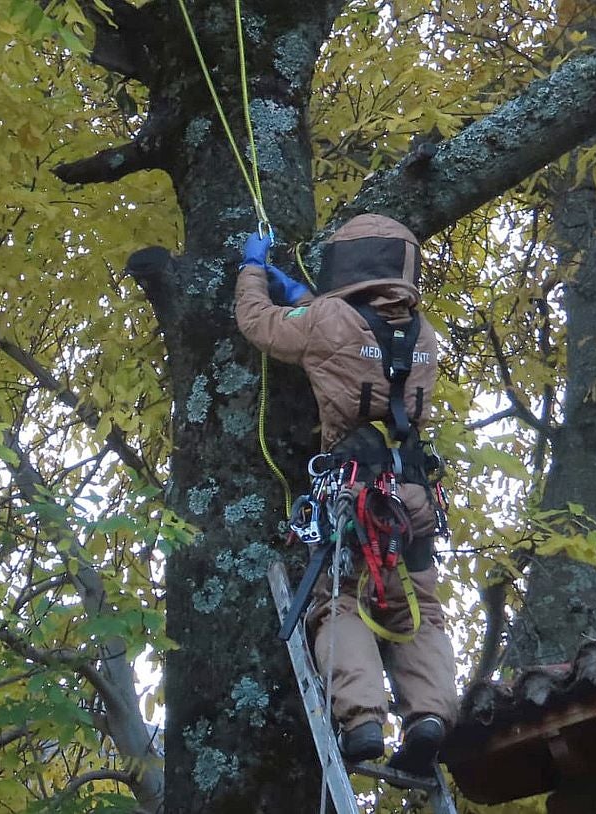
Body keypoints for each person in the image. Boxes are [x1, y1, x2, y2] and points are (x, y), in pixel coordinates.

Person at [234, 214, 458, 776]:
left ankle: (362, 720)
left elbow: (259, 323)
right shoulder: (423, 333)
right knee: (420, 607)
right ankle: (428, 715)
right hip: (412, 490)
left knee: (341, 601)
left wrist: (253, 270)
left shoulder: (328, 319)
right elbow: (357, 338)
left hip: (355, 487)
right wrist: (305, 297)